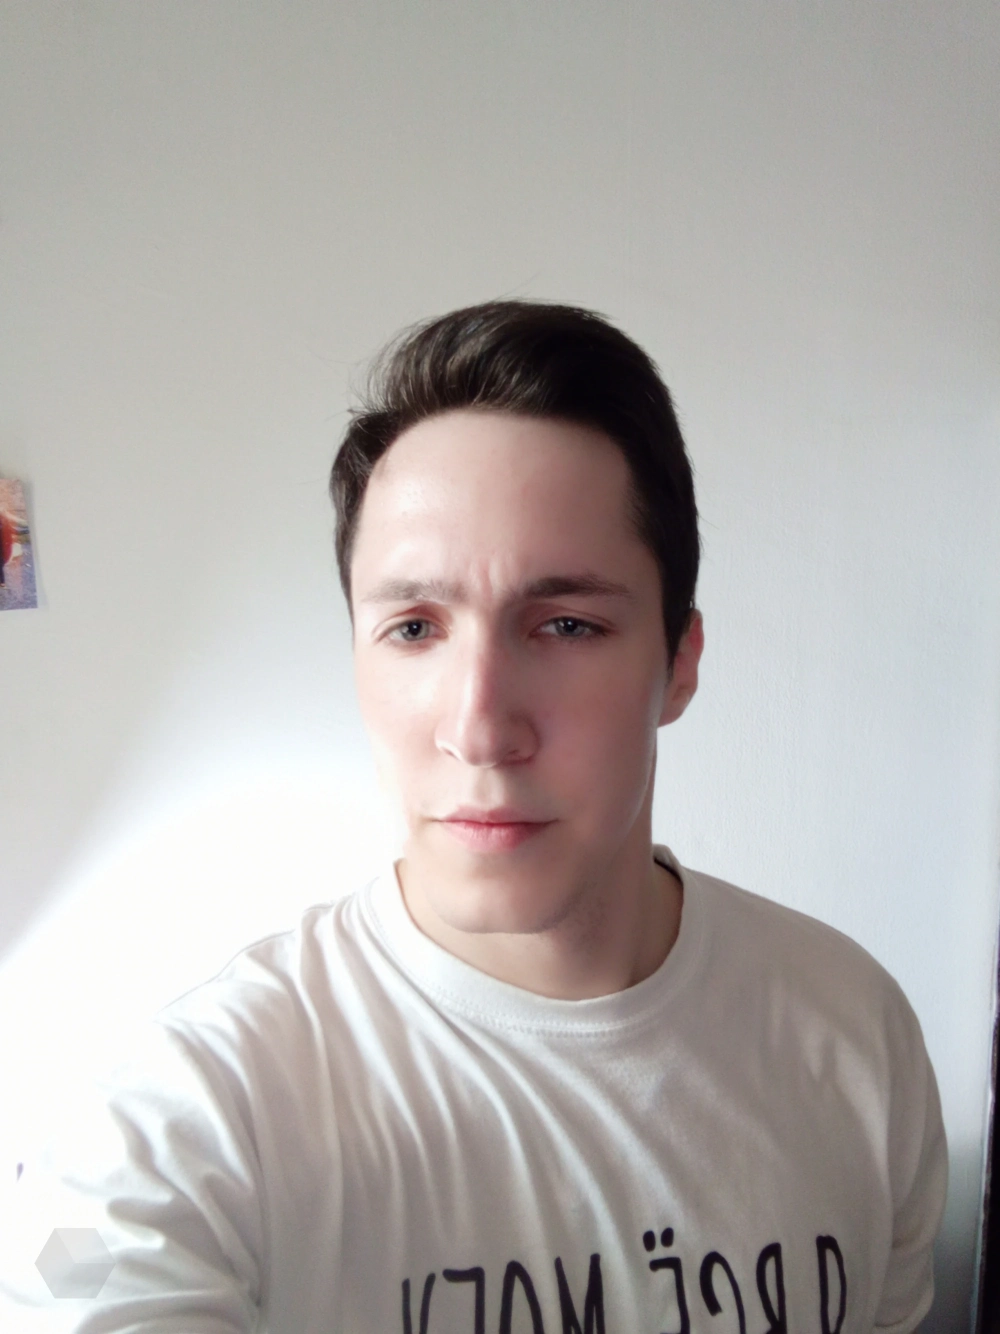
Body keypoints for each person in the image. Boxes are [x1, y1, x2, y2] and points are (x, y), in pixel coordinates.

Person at [1, 300, 946, 1333]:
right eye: (414, 628)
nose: (480, 727)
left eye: (567, 624)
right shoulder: (181, 1125)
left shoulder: (855, 1032)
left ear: (679, 662)